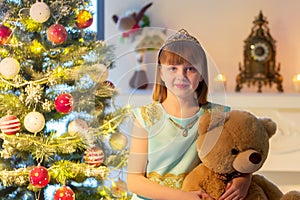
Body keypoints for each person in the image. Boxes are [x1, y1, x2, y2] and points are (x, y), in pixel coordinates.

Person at [126, 29, 251, 200]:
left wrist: (244, 179)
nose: (181, 76)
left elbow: (238, 157)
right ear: (161, 73)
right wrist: (182, 197)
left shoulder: (218, 116)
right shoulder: (145, 118)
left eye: (190, 69)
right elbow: (134, 181)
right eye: (173, 68)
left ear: (201, 76)